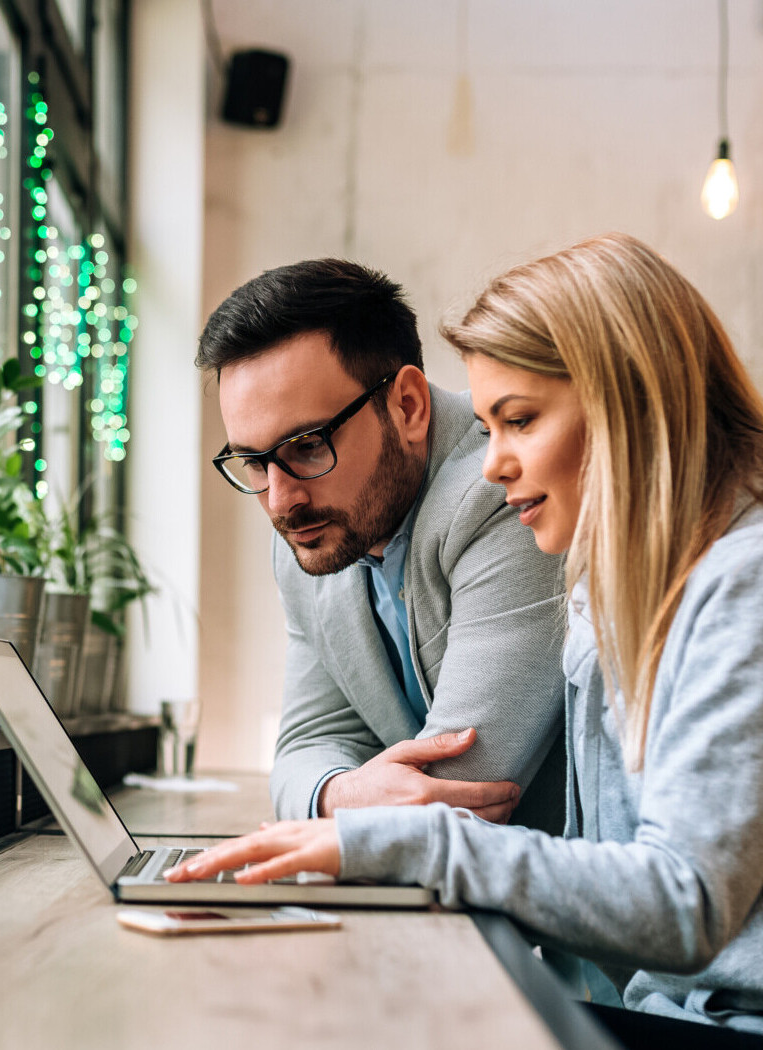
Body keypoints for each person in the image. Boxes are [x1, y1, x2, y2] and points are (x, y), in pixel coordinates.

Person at [172, 235, 763, 1050]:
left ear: (630, 407)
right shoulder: (621, 587)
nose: (494, 466)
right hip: (706, 1017)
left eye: (519, 421)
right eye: (492, 426)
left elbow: (682, 900)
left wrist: (392, 835)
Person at [196, 259, 568, 830]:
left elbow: (462, 789)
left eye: (308, 447)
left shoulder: (510, 492)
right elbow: (307, 744)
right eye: (253, 462)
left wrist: (340, 803)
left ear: (408, 407)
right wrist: (337, 795)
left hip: (553, 899)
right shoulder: (316, 533)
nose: (279, 501)